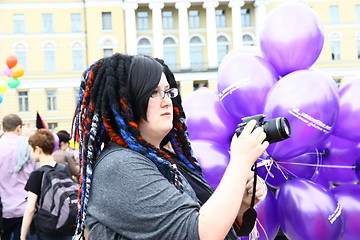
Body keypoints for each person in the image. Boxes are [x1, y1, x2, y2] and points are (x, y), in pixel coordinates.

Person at [72, 54, 269, 240]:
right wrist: (241, 161)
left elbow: (208, 225)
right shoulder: (119, 165)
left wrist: (241, 205)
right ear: (126, 103)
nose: (166, 101)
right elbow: (198, 234)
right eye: (153, 93)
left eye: (167, 91)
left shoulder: (162, 159)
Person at [20, 129, 73, 240]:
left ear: (38, 150)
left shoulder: (37, 174)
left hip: (46, 230)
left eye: (31, 149)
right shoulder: (63, 169)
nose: (30, 153)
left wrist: (22, 236)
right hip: (66, 226)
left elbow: (30, 209)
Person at [0, 114, 38, 240]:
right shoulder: (29, 148)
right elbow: (38, 175)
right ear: (19, 128)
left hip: (3, 209)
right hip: (25, 208)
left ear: (3, 128)